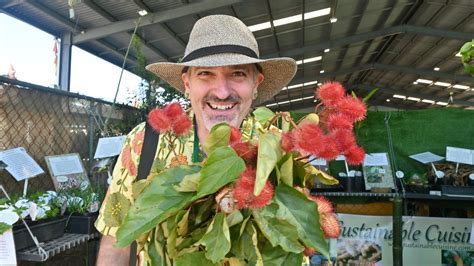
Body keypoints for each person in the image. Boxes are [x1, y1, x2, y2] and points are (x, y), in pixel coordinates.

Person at [95, 14, 297, 265]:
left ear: (256, 83)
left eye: (237, 73)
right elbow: (117, 244)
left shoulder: (279, 147)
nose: (222, 92)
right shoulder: (145, 142)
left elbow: (293, 245)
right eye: (205, 74)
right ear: (187, 83)